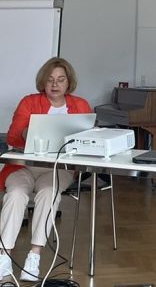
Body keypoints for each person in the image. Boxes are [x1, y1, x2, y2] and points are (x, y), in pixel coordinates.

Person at [0, 57, 91, 282]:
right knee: (15, 193)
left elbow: (87, 141)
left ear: (69, 82)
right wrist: (28, 132)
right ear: (43, 81)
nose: (55, 84)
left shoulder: (80, 105)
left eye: (61, 79)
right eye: (50, 79)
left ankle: (34, 256)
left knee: (48, 193)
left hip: (59, 169)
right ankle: (4, 257)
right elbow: (12, 137)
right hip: (23, 167)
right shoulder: (29, 102)